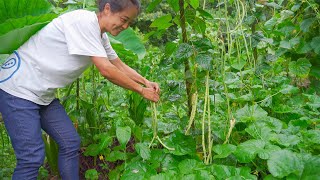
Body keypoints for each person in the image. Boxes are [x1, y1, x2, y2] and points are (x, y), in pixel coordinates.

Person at [0, 0, 160, 179]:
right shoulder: (83, 22)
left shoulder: (100, 36)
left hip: (42, 95)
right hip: (18, 89)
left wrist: (146, 82)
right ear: (107, 9)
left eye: (129, 22)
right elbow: (106, 70)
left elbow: (118, 65)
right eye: (123, 19)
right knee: (31, 157)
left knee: (70, 142)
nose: (125, 26)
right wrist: (140, 91)